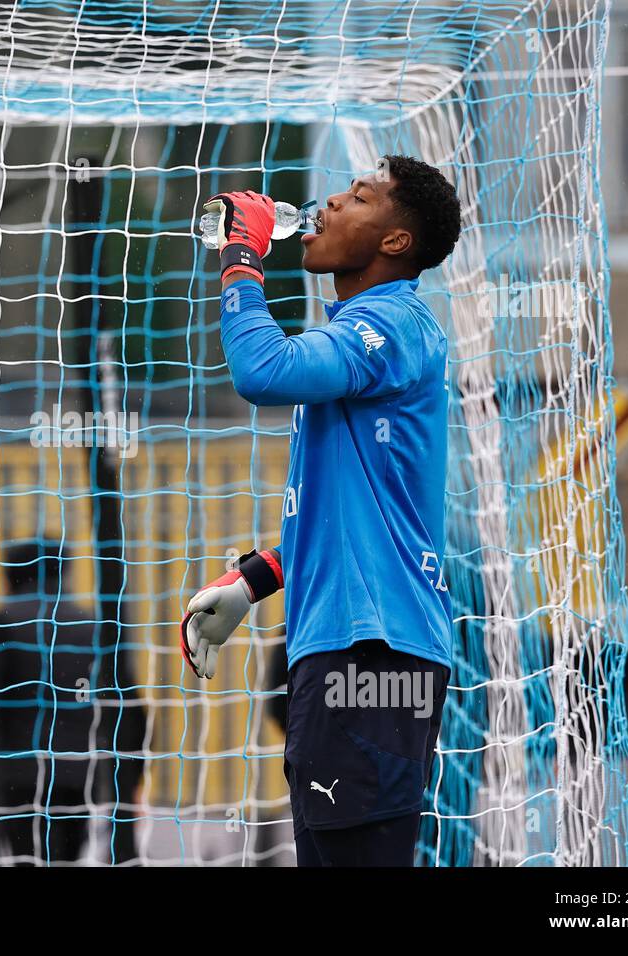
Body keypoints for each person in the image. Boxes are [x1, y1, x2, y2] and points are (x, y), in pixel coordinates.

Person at [182, 156, 460, 866]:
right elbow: (355, 521)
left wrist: (242, 257)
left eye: (358, 198)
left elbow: (263, 372)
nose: (328, 204)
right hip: (356, 655)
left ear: (395, 243)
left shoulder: (391, 323)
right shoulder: (367, 339)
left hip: (369, 657)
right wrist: (253, 582)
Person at [0, 539, 138, 865]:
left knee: (25, 855)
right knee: (66, 857)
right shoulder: (91, 624)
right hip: (77, 769)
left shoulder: (4, 621)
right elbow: (123, 698)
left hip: (16, 770)